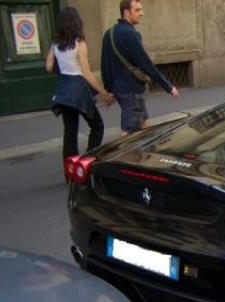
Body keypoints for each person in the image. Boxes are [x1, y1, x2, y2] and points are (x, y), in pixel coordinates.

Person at [46, 7, 112, 176]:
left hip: (64, 90)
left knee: (70, 132)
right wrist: (104, 92)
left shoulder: (55, 43)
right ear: (76, 22)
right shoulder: (79, 43)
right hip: (79, 90)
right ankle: (88, 161)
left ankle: (70, 172)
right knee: (97, 125)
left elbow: (48, 67)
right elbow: (87, 74)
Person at [101, 0, 179, 135]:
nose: (141, 13)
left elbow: (105, 64)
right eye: (137, 10)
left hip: (120, 89)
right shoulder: (132, 34)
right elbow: (146, 64)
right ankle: (124, 156)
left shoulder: (109, 33)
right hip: (132, 90)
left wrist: (109, 89)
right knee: (130, 133)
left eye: (141, 10)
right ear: (126, 12)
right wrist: (168, 86)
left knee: (144, 124)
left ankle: (147, 153)